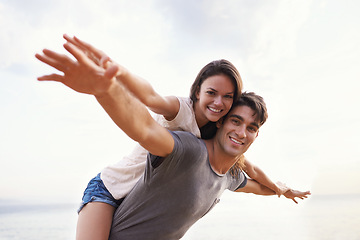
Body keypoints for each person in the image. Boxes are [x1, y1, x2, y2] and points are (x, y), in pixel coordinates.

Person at [35, 37, 310, 239]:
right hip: (109, 188)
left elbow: (247, 166)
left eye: (228, 97)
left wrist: (280, 189)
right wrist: (113, 78)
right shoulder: (181, 114)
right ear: (197, 92)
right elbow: (148, 104)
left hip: (140, 195)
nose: (218, 103)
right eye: (212, 93)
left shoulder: (217, 146)